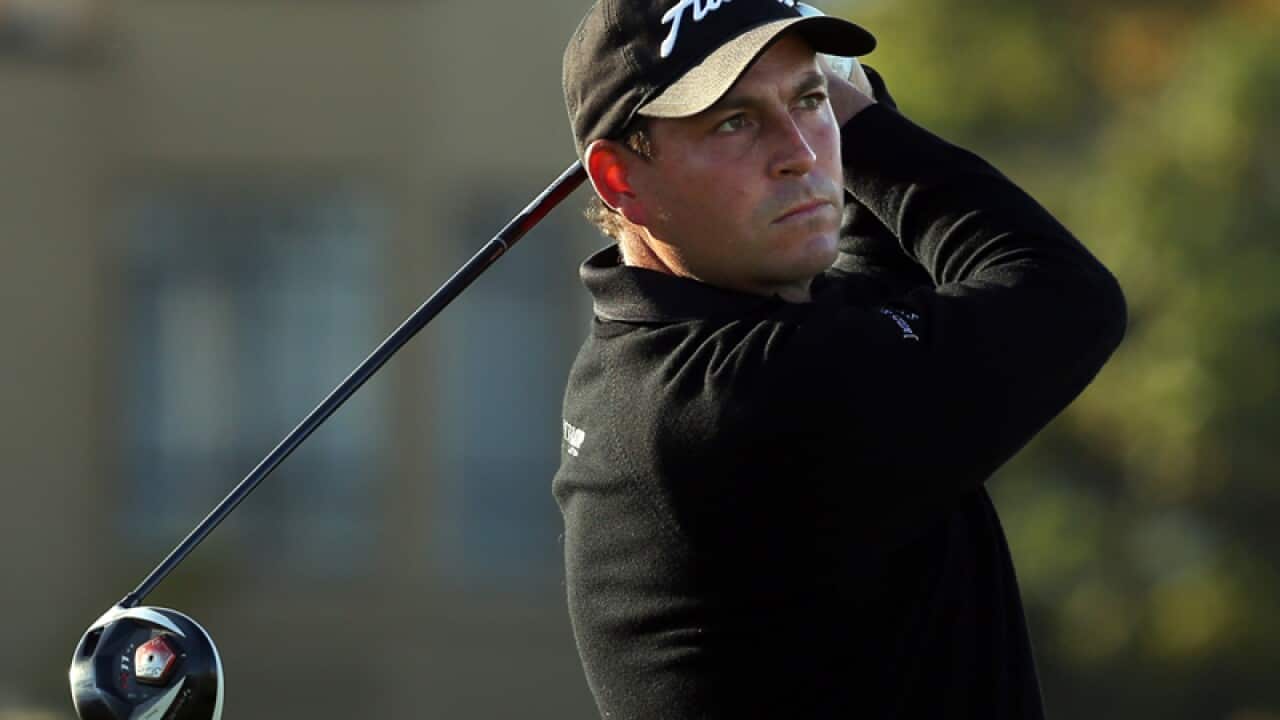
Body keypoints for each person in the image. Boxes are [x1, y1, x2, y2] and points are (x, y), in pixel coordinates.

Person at [552, 1, 1127, 717]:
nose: (799, 150)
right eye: (734, 122)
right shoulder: (733, 400)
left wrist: (846, 94)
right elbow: (1064, 297)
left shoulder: (659, 352)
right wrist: (858, 117)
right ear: (620, 179)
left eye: (809, 100)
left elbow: (878, 275)